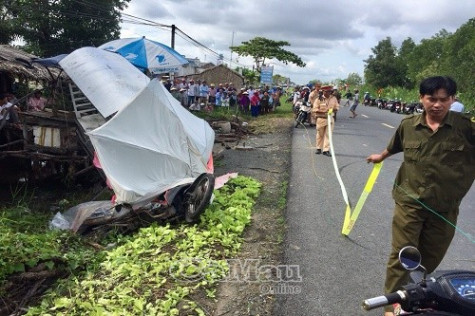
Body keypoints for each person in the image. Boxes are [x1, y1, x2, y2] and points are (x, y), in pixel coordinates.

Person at [366, 76, 474, 316]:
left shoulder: (466, 127)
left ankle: (415, 299)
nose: (437, 105)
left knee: (429, 259)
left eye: (443, 99)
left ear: (452, 99)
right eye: (431, 99)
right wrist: (380, 156)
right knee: (403, 254)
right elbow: (395, 146)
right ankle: (391, 307)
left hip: (445, 208)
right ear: (421, 99)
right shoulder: (408, 125)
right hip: (409, 202)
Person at [313, 85, 339, 157]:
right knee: (320, 134)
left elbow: (337, 107)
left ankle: (326, 150)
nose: (328, 93)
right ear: (323, 91)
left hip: (330, 119)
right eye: (327, 91)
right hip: (321, 119)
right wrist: (323, 111)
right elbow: (314, 109)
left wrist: (333, 109)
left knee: (328, 135)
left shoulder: (333, 98)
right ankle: (318, 148)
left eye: (330, 91)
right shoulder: (319, 99)